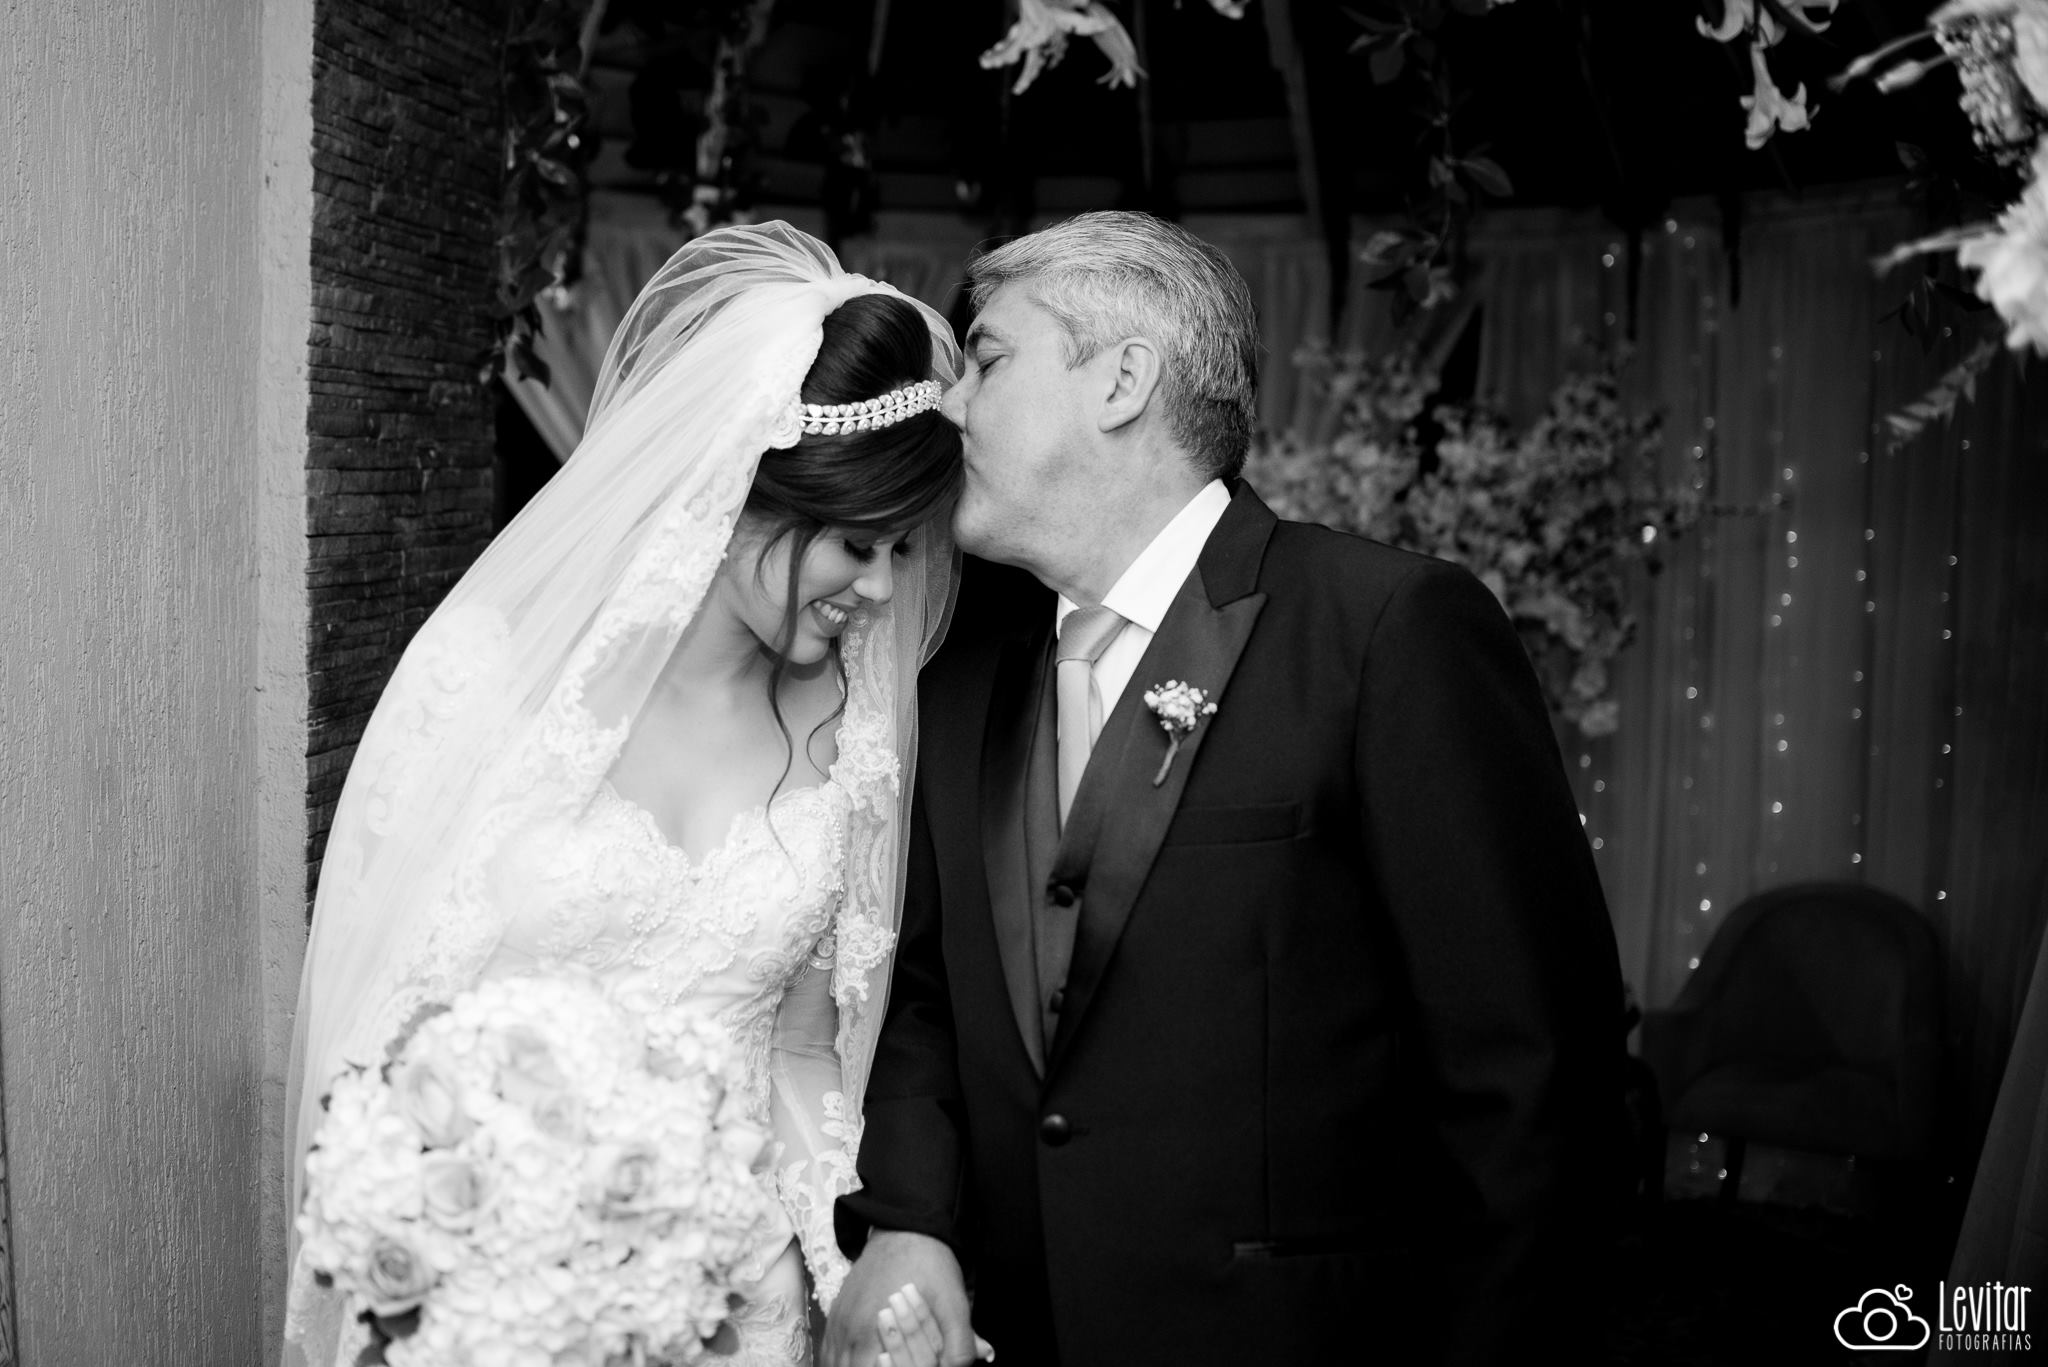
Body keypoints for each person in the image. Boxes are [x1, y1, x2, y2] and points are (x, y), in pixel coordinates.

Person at [825, 211, 1630, 1367]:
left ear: (1120, 380)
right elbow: (919, 997)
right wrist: (910, 1215)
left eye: (987, 360)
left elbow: (1532, 1079)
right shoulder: (957, 675)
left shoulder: (1385, 629)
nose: (948, 404)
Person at [282, 223, 966, 1367]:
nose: (883, 589)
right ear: (740, 493)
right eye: (857, 544)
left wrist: (844, 1270)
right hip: (501, 1292)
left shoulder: (852, 733)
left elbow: (804, 1053)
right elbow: (375, 1024)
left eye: (903, 549)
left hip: (744, 1305)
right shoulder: (491, 679)